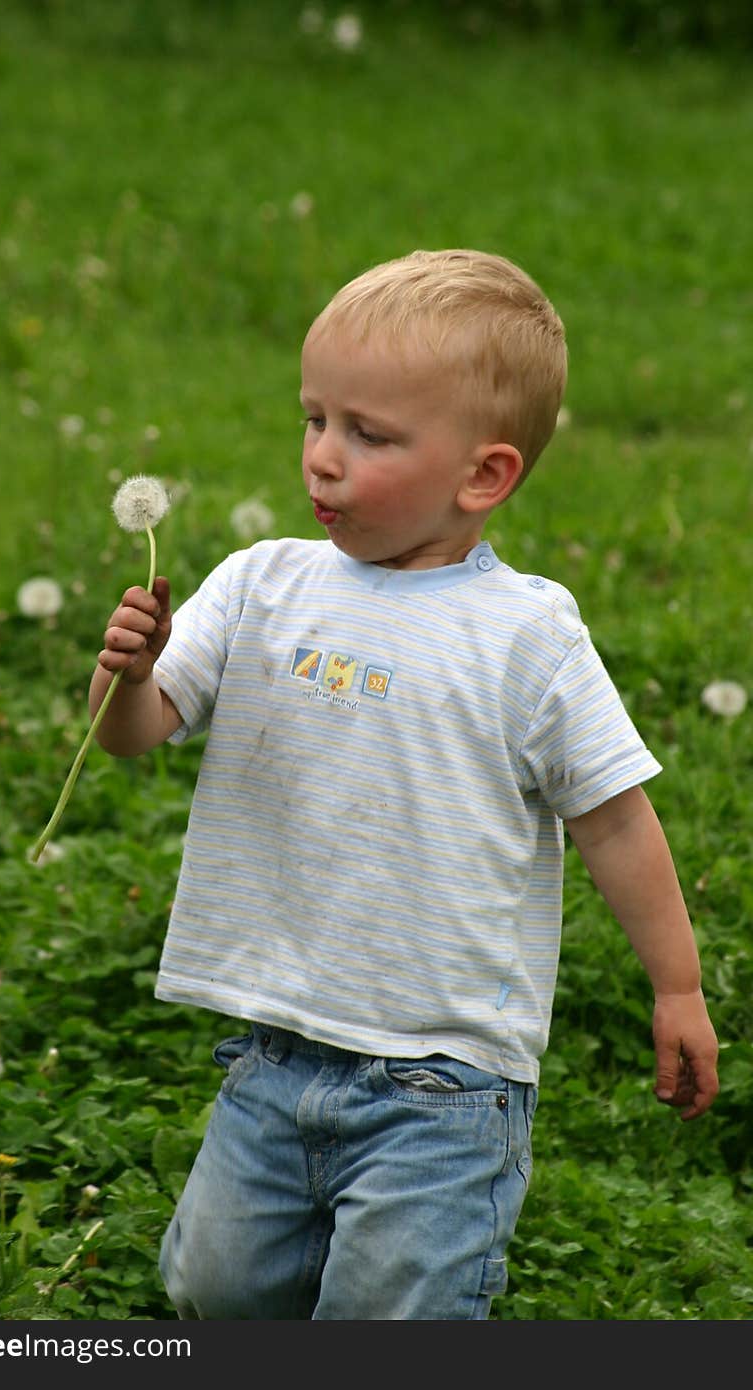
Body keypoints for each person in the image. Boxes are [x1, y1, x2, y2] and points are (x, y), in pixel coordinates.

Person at [89, 249, 720, 1321]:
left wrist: (677, 985)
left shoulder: (526, 633)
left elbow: (613, 818)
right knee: (213, 1289)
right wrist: (128, 674)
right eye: (313, 419)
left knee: (392, 1313)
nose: (323, 460)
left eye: (369, 435)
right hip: (275, 1047)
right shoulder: (262, 584)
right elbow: (135, 736)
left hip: (442, 1081)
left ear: (483, 475)